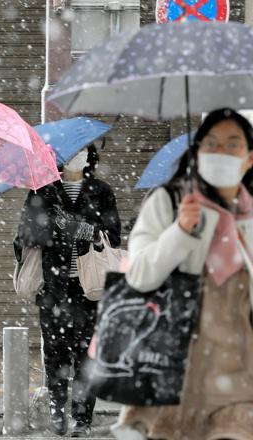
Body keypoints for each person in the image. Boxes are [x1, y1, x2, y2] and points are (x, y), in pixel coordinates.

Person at [114, 108, 253, 440]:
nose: (221, 153)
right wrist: (180, 231)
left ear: (249, 158)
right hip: (172, 364)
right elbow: (140, 277)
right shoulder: (169, 201)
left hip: (240, 370)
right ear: (198, 152)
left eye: (233, 145)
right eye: (211, 144)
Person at [16, 144, 121, 437]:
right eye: (71, 150)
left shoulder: (101, 190)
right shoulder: (43, 190)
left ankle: (82, 418)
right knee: (55, 353)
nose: (77, 154)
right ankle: (57, 411)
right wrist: (53, 226)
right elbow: (24, 236)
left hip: (89, 288)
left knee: (87, 354)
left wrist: (83, 230)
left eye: (83, 150)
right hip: (53, 287)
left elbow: (113, 236)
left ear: (89, 155)